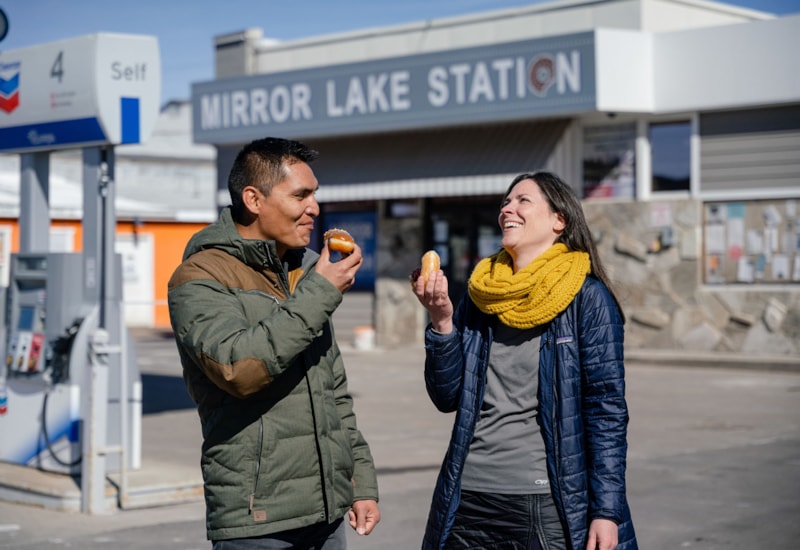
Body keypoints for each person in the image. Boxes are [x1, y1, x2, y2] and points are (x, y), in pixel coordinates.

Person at [168, 137, 380, 549]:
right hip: (258, 520)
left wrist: (360, 481)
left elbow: (334, 393)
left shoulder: (304, 271)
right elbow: (239, 369)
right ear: (254, 199)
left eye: (315, 194)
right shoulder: (198, 277)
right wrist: (320, 292)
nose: (314, 208)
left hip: (327, 513)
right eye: (301, 194)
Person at [413, 172, 637, 550]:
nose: (507, 209)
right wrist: (442, 322)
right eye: (505, 202)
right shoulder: (482, 295)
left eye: (522, 201)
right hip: (468, 496)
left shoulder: (587, 298)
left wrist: (606, 510)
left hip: (542, 501)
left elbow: (607, 411)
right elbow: (447, 396)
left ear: (559, 220)